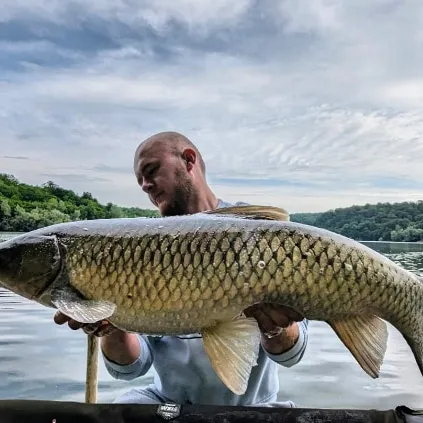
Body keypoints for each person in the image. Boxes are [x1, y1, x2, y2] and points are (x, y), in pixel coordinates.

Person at [54, 131, 309, 407]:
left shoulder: (260, 233)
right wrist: (112, 326)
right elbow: (130, 368)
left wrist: (274, 328)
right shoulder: (136, 248)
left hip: (253, 406)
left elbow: (291, 355)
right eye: (140, 181)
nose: (145, 186)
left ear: (189, 160)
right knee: (119, 410)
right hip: (170, 405)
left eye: (151, 171)